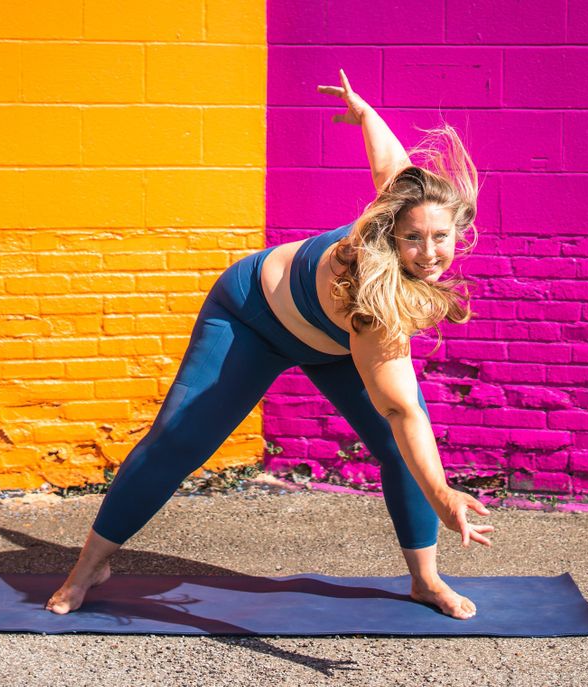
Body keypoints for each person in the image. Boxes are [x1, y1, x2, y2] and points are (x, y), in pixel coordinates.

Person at [47, 70, 495, 620]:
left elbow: (390, 162)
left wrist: (366, 114)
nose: (428, 251)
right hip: (250, 319)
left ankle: (425, 580)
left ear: (458, 229)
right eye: (412, 238)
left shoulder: (406, 200)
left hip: (330, 344)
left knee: (404, 453)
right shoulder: (376, 291)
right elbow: (401, 407)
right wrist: (443, 494)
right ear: (390, 233)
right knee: (177, 441)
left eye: (440, 237)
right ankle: (90, 564)